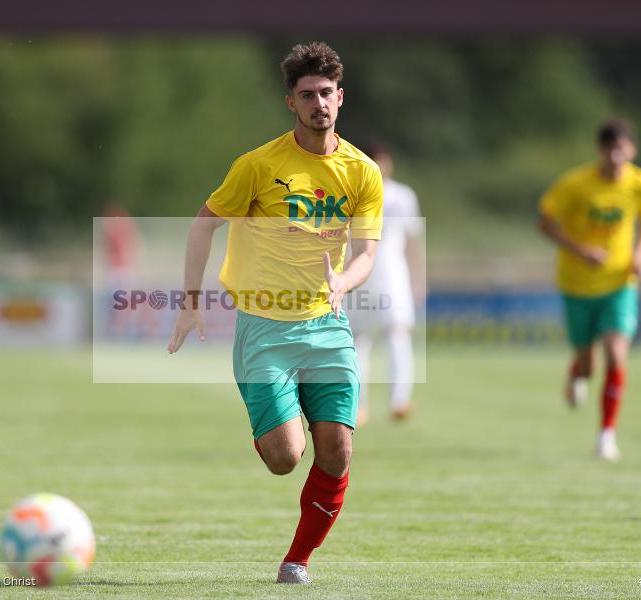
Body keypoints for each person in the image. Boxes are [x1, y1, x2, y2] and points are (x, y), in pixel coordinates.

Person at [167, 41, 383, 583]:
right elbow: (202, 223)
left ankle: (296, 562)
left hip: (327, 325)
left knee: (337, 448)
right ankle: (274, 426)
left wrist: (344, 285)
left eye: (327, 93)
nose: (319, 103)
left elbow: (366, 256)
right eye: (307, 95)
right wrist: (190, 302)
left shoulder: (362, 173)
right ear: (291, 102)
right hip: (264, 326)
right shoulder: (259, 166)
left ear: (341, 96)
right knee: (287, 456)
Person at [538, 117, 641, 462]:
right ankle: (577, 368)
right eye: (611, 150)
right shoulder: (574, 184)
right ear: (600, 151)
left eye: (623, 149)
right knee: (590, 365)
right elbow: (543, 222)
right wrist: (580, 251)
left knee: (616, 353)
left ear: (632, 150)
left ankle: (606, 435)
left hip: (620, 284)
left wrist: (640, 255)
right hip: (577, 285)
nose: (617, 157)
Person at [350, 145, 424, 425]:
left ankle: (399, 400)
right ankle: (358, 405)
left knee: (398, 334)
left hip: (393, 274)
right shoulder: (351, 192)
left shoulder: (402, 196)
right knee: (358, 340)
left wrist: (417, 277)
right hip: (359, 271)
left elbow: (411, 241)